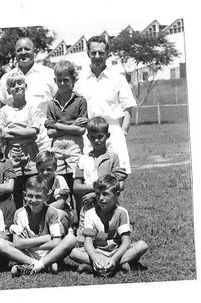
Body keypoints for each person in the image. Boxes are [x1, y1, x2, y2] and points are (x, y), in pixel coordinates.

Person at [74, 35, 137, 174]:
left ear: (107, 54)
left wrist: (123, 132)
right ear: (88, 53)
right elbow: (76, 110)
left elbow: (128, 108)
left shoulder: (118, 79)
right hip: (89, 134)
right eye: (93, 53)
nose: (97, 56)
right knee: (90, 176)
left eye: (101, 53)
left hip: (113, 132)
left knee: (116, 178)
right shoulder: (81, 81)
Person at [0, 175, 77, 277]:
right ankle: (42, 264)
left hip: (47, 252)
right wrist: (45, 238)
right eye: (30, 195)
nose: (33, 200)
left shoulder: (52, 212)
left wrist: (30, 245)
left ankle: (36, 265)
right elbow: (17, 243)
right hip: (27, 253)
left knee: (71, 239)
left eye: (38, 196)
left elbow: (56, 242)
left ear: (46, 196)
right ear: (24, 195)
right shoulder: (19, 213)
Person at [70, 174, 148, 276]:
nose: (100, 198)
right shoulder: (90, 213)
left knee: (142, 245)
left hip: (117, 250)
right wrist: (95, 258)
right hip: (98, 251)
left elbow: (126, 241)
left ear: (116, 195)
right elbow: (88, 242)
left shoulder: (121, 213)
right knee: (73, 252)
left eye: (105, 194)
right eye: (98, 194)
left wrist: (113, 258)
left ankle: (101, 265)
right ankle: (117, 264)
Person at [0, 37, 58, 152]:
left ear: (34, 50)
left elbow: (59, 104)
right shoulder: (5, 79)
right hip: (14, 145)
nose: (23, 52)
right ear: (15, 53)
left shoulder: (48, 74)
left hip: (44, 142)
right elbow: (1, 105)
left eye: (27, 49)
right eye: (19, 50)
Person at [73, 117, 127, 243]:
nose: (96, 140)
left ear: (107, 135)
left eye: (100, 136)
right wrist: (96, 190)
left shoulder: (113, 157)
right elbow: (76, 187)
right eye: (92, 137)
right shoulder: (82, 159)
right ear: (88, 137)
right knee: (83, 242)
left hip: (109, 206)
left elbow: (120, 184)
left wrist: (95, 193)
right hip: (88, 207)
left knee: (111, 238)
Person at [45, 60, 87, 195]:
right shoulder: (52, 104)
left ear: (73, 80)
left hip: (74, 147)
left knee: (77, 186)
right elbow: (50, 133)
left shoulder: (80, 101)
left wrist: (58, 125)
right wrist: (72, 125)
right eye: (59, 80)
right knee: (61, 188)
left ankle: (80, 215)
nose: (62, 84)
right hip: (57, 147)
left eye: (66, 80)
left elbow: (81, 130)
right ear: (55, 80)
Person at [0, 72, 41, 209]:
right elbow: (2, 134)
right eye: (12, 85)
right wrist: (25, 133)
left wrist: (10, 130)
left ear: (25, 86)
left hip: (30, 152)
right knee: (16, 191)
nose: (16, 87)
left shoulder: (32, 107)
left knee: (32, 188)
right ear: (8, 90)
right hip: (12, 153)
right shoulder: (5, 110)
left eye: (19, 83)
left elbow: (34, 131)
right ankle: (19, 221)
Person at [35, 150, 74, 234]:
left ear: (55, 168)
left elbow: (61, 203)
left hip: (59, 210)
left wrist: (42, 211)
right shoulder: (36, 182)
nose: (45, 172)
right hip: (40, 211)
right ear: (37, 169)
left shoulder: (59, 179)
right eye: (41, 169)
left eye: (49, 169)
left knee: (60, 215)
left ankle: (60, 237)